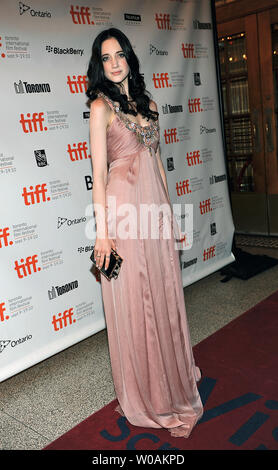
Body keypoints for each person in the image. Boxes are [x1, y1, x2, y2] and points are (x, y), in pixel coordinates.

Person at [86, 27, 203, 438]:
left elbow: (157, 164)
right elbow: (98, 175)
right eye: (106, 57)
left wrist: (170, 216)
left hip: (153, 210)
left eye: (120, 54)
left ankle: (173, 376)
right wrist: (103, 234)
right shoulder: (99, 108)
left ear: (130, 58)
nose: (115, 62)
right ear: (99, 66)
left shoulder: (150, 105)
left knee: (164, 292)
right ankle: (147, 394)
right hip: (122, 210)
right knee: (137, 301)